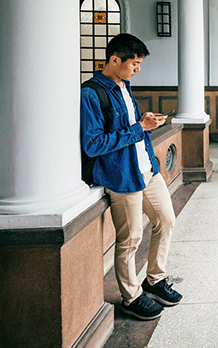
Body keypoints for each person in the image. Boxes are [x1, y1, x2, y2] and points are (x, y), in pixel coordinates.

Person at [80, 33, 182, 321]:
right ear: (115, 60)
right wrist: (140, 127)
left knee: (166, 220)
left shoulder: (125, 86)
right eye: (134, 63)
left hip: (147, 169)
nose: (138, 69)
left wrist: (145, 124)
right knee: (130, 239)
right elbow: (93, 144)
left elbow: (133, 128)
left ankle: (155, 280)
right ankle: (131, 297)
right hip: (121, 175)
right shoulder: (90, 94)